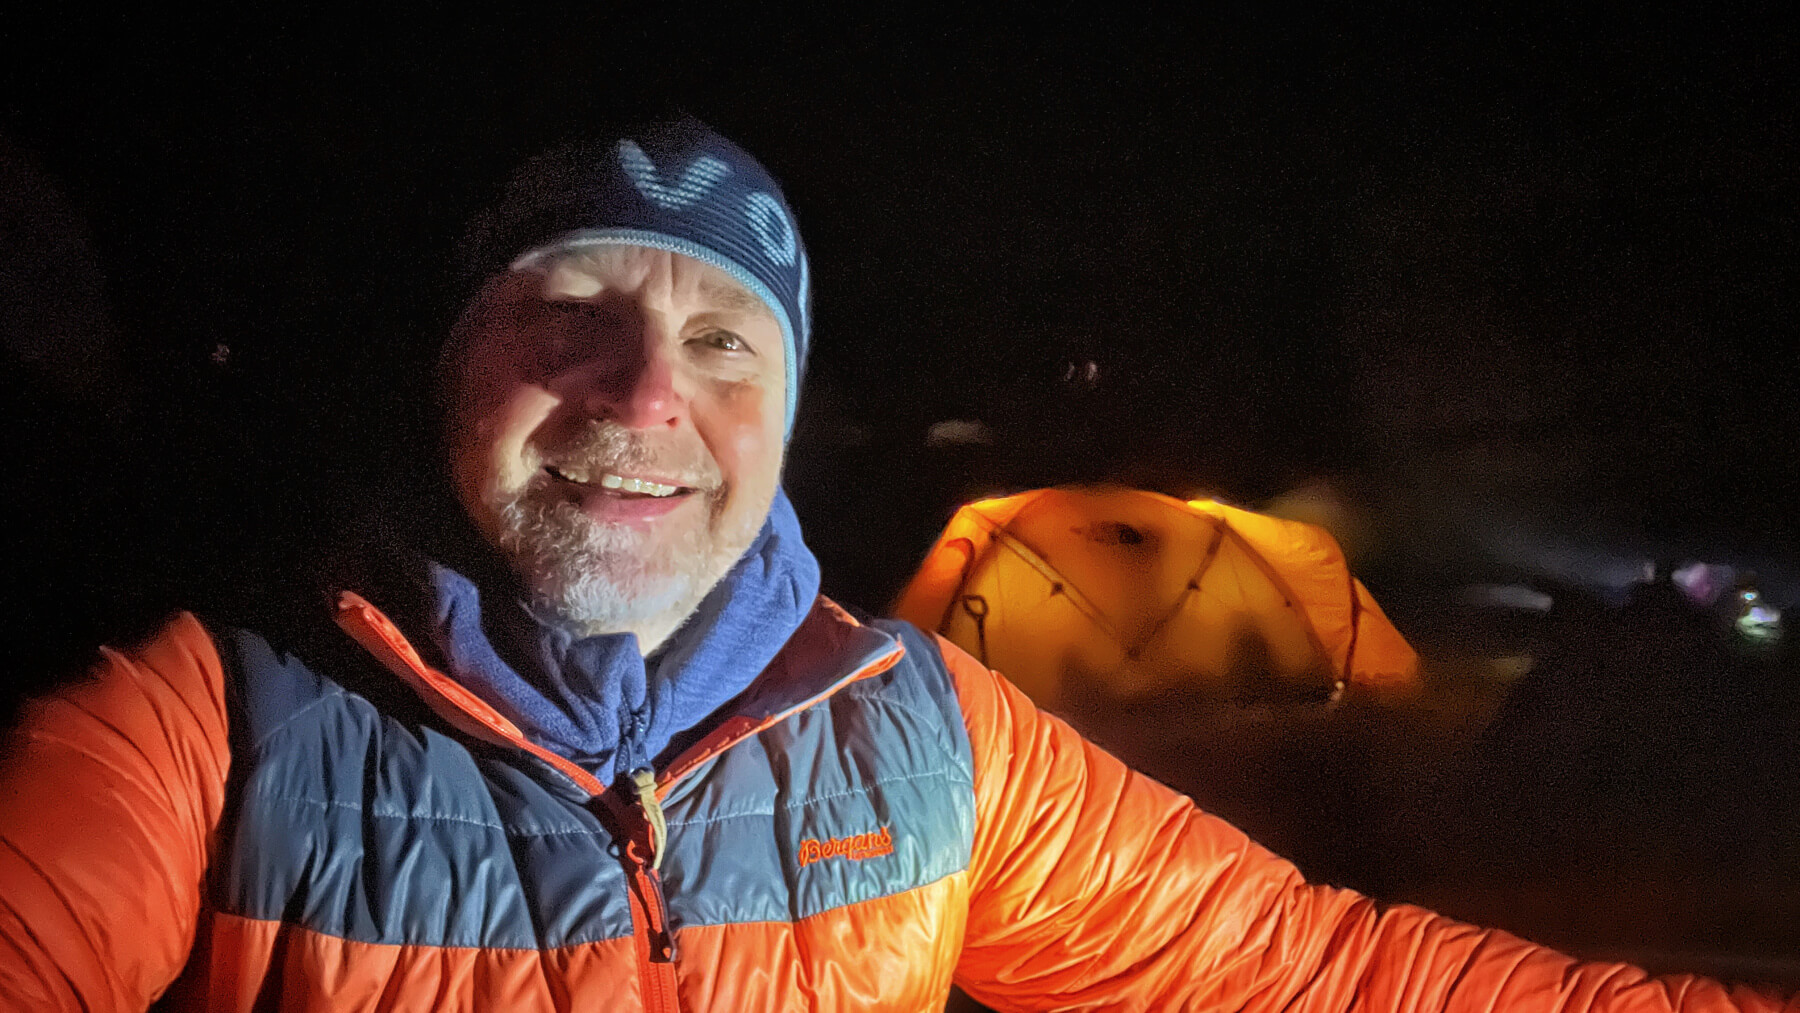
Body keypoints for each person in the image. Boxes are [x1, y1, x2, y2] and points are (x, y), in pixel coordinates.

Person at [0, 119, 1791, 1012]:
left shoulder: (922, 739)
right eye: (570, 311)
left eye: (725, 343)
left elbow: (1323, 971)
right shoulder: (211, 735)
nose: (646, 393)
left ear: (783, 412)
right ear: (454, 372)